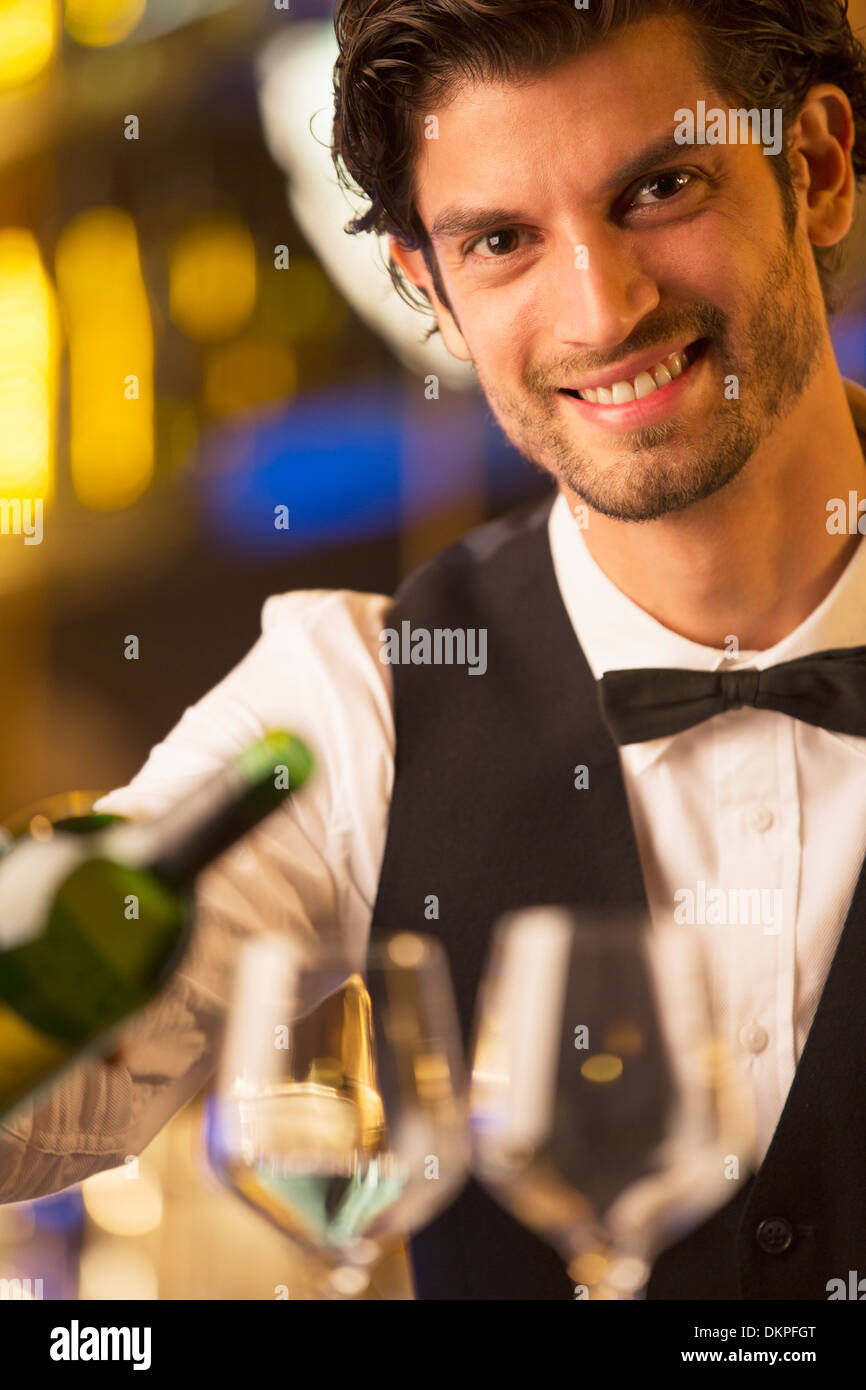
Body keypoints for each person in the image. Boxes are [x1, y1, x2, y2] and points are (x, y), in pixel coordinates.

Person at [3, 0, 866, 1299]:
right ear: (429, 290)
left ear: (813, 167)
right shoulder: (358, 702)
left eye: (660, 186)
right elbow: (44, 1111)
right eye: (503, 239)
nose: (602, 308)